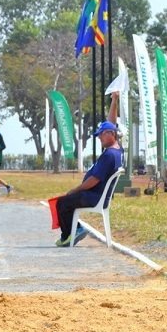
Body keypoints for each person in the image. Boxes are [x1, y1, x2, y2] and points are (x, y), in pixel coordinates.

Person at [51, 92, 123, 247]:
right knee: (64, 201)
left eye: (101, 135)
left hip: (95, 197)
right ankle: (72, 232)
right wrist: (114, 101)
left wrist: (76, 189)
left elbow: (94, 180)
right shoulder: (117, 149)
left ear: (111, 134)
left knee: (62, 202)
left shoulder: (109, 155)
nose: (99, 138)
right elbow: (111, 122)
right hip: (97, 195)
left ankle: (72, 232)